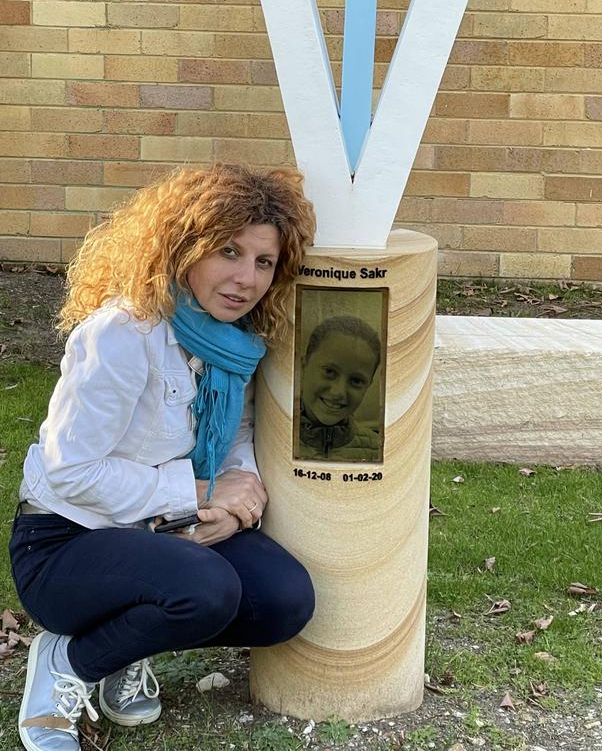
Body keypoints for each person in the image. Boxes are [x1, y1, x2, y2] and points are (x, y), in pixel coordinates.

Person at [9, 162, 317, 751]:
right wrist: (199, 495)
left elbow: (237, 434)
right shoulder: (122, 333)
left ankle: (129, 642)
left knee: (284, 600)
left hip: (172, 531)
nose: (245, 279)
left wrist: (236, 499)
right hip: (68, 542)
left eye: (263, 262)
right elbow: (70, 470)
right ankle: (68, 661)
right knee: (206, 589)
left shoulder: (235, 340)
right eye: (228, 251)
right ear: (183, 248)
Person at [297, 315, 382, 463]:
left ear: (368, 385)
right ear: (303, 367)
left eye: (356, 380)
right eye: (329, 372)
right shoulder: (272, 437)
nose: (339, 392)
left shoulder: (377, 449)